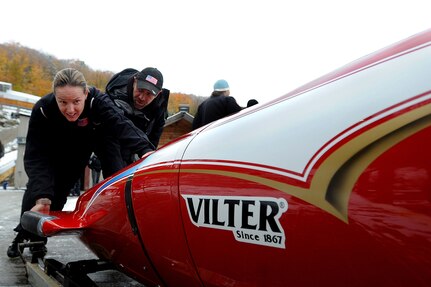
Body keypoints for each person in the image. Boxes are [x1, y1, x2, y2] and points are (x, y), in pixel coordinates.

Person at [7, 68, 154, 258]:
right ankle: (22, 234)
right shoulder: (43, 110)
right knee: (39, 194)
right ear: (55, 97)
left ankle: (39, 239)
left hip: (81, 149)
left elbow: (121, 124)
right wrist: (42, 195)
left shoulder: (98, 102)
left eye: (76, 102)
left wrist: (145, 149)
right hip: (52, 151)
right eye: (63, 102)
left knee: (59, 195)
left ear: (85, 93)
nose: (70, 110)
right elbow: (36, 156)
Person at [106, 67, 170, 151]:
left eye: (149, 94)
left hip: (136, 149)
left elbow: (153, 142)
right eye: (140, 90)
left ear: (158, 94)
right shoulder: (115, 92)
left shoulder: (159, 110)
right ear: (134, 81)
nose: (142, 97)